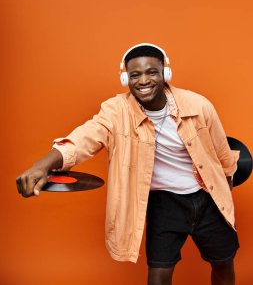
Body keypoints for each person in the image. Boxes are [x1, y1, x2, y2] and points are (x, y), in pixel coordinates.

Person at [16, 43, 240, 285]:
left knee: (223, 261)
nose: (144, 80)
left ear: (165, 74)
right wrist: (43, 165)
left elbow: (223, 155)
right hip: (164, 203)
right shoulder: (116, 111)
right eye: (135, 75)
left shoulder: (199, 106)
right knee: (159, 274)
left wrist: (223, 195)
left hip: (207, 198)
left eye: (152, 72)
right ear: (126, 78)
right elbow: (83, 139)